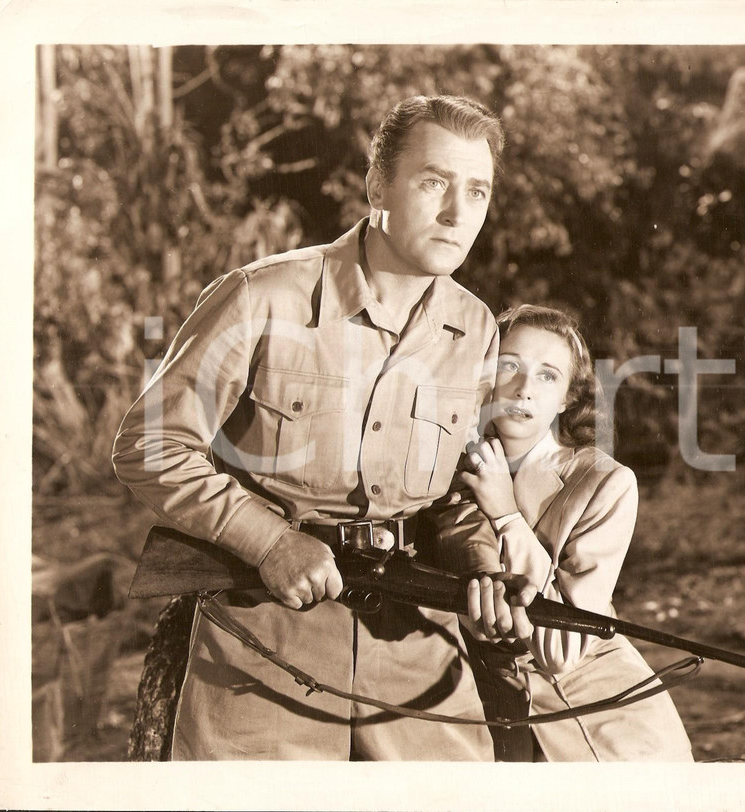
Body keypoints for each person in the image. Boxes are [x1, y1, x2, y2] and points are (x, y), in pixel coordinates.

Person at [112, 95, 506, 761]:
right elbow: (151, 443)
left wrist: (484, 570)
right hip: (261, 655)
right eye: (434, 182)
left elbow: (460, 495)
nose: (456, 213)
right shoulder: (263, 297)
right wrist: (270, 544)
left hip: (417, 661)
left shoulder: (475, 329)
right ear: (376, 185)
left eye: (477, 190)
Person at [456, 304, 694, 761]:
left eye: (548, 376)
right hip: (477, 704)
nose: (524, 390)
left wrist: (505, 514)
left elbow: (562, 650)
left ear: (568, 396)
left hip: (598, 718)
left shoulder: (604, 481)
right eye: (510, 365)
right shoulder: (442, 468)